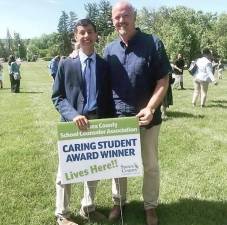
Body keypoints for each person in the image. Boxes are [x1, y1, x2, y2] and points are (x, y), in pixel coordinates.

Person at [103, 1, 171, 225]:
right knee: (117, 164)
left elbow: (163, 79)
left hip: (148, 119)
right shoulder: (109, 49)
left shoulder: (152, 42)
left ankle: (150, 206)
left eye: (125, 16)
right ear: (112, 21)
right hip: (118, 120)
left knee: (150, 165)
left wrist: (151, 108)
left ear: (134, 17)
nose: (121, 21)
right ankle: (119, 201)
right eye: (116, 17)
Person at [52, 19, 114, 225]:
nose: (86, 36)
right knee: (65, 171)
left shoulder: (105, 65)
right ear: (76, 37)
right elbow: (58, 97)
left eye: (90, 32)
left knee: (93, 168)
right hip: (72, 124)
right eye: (82, 33)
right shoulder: (65, 64)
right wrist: (73, 115)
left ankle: (88, 207)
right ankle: (62, 213)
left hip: (97, 123)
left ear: (96, 35)